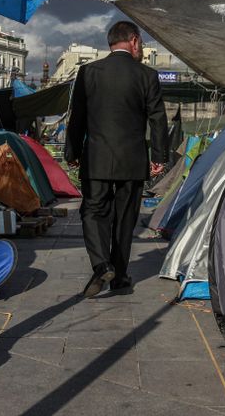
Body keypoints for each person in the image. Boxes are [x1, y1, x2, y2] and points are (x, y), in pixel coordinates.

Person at [65, 21, 169, 298]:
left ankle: (101, 265)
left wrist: (72, 152)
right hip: (133, 161)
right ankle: (120, 276)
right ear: (134, 41)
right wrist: (158, 156)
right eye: (142, 44)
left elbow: (77, 117)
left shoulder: (88, 72)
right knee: (125, 219)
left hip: (97, 158)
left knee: (93, 211)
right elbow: (158, 119)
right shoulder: (147, 75)